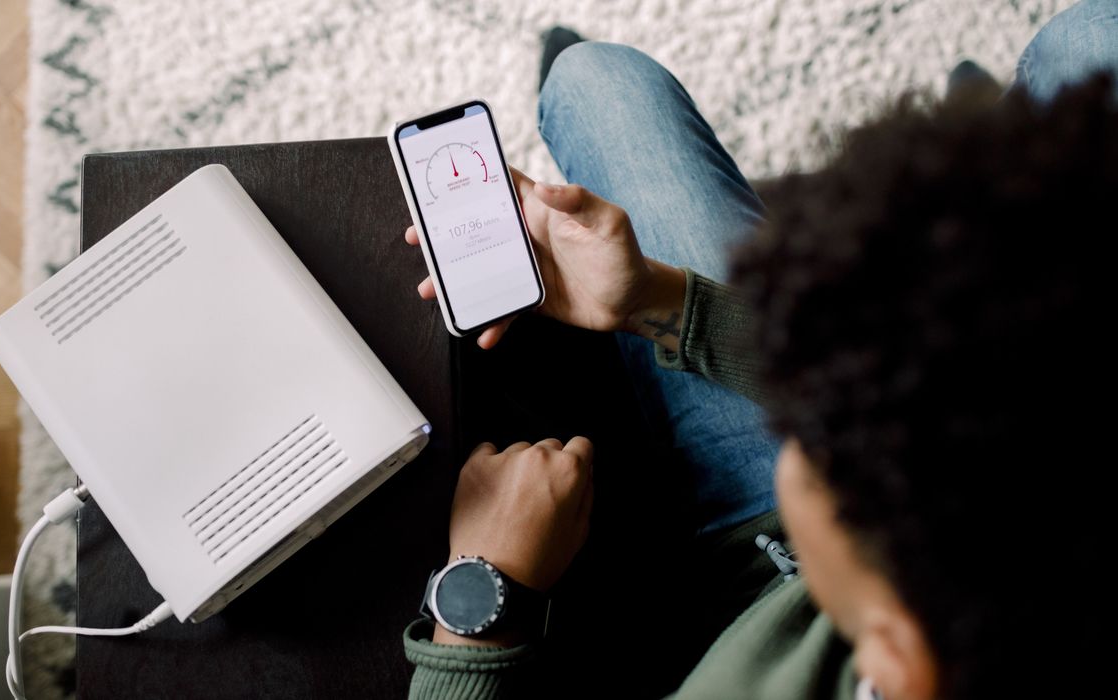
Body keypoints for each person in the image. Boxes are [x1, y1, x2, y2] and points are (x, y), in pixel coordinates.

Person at [400, 1, 1117, 698]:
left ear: (895, 659)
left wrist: (480, 607)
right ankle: (1000, 153)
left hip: (744, 578)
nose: (806, 434)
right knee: (1092, 35)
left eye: (819, 450)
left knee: (596, 83)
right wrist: (656, 302)